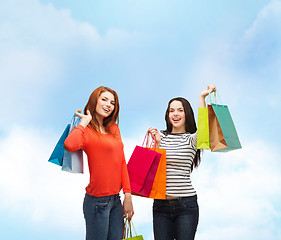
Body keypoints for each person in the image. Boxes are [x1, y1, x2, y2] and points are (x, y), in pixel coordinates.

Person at [64, 86, 134, 240]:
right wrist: (84, 122)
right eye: (104, 100)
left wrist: (127, 196)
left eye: (113, 102)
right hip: (96, 202)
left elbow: (122, 162)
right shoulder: (86, 131)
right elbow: (70, 145)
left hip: (116, 201)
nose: (109, 104)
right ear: (94, 101)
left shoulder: (114, 129)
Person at [148, 85, 216, 240]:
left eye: (180, 110)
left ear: (187, 114)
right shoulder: (161, 138)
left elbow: (204, 126)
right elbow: (152, 171)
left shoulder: (192, 139)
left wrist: (202, 97)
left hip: (186, 205)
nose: (175, 114)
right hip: (160, 205)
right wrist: (157, 144)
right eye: (171, 110)